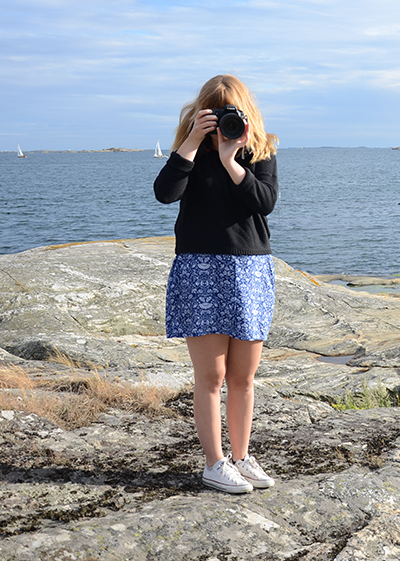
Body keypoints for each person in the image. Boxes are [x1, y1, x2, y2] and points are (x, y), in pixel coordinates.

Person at [154, 74, 279, 494]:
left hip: (249, 270)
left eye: (231, 112)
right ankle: (214, 463)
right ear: (200, 112)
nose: (224, 120)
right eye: (215, 112)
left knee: (244, 377)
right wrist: (191, 143)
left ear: (244, 112)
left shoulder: (258, 149)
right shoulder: (189, 153)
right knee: (211, 375)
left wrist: (231, 159)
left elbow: (265, 203)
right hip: (199, 268)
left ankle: (241, 458)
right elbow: (164, 193)